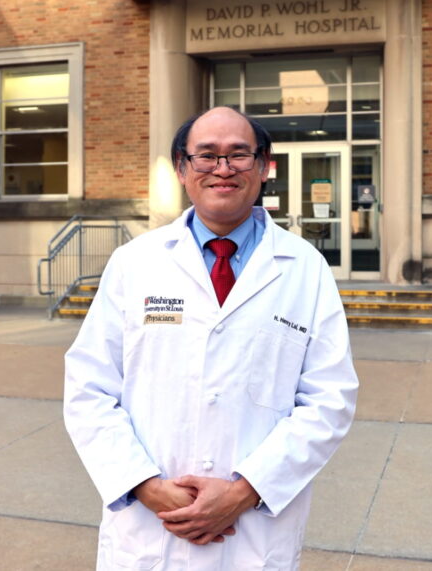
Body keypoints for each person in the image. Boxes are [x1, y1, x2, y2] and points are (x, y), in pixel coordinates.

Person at [64, 106, 359, 570]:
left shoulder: (306, 269)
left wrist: (245, 492)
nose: (223, 169)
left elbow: (331, 399)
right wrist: (145, 486)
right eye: (207, 155)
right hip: (149, 530)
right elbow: (88, 388)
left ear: (264, 167)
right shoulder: (134, 263)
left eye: (239, 155)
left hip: (253, 530)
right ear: (182, 169)